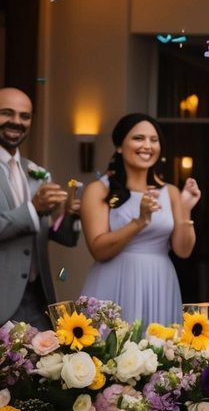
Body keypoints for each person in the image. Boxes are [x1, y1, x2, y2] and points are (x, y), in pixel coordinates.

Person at [80, 113, 200, 327]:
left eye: (154, 140)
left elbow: (183, 250)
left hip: (159, 281)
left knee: (160, 352)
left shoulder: (170, 192)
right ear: (119, 146)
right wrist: (140, 220)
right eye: (138, 138)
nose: (147, 146)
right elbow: (98, 249)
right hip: (115, 279)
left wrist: (186, 210)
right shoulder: (99, 190)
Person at [0, 87, 80, 327]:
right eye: (7, 113)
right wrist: (34, 208)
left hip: (38, 299)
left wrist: (68, 215)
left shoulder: (36, 172)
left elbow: (63, 237)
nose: (17, 121)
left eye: (25, 116)